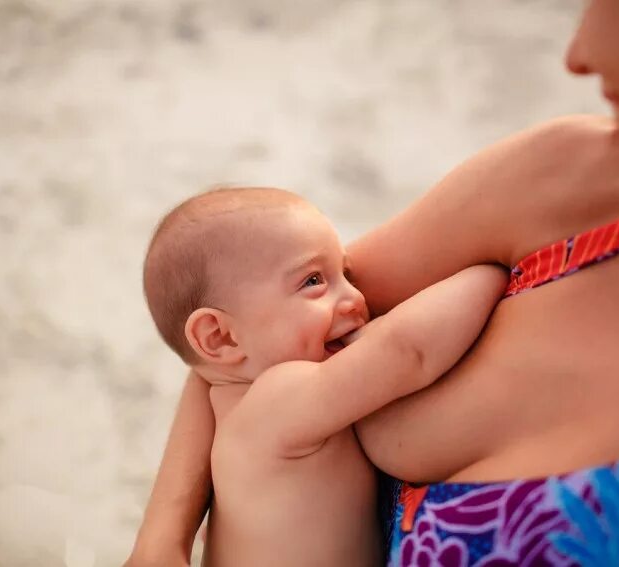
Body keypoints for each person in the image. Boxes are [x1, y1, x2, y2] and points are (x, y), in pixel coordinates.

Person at [127, 0, 619, 563]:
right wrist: (161, 539)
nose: (579, 50)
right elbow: (241, 319)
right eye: (320, 278)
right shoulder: (572, 183)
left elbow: (241, 338)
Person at [141, 187, 506, 566]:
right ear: (221, 337)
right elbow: (407, 352)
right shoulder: (273, 401)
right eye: (313, 281)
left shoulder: (233, 409)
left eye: (345, 274)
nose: (356, 298)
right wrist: (496, 270)